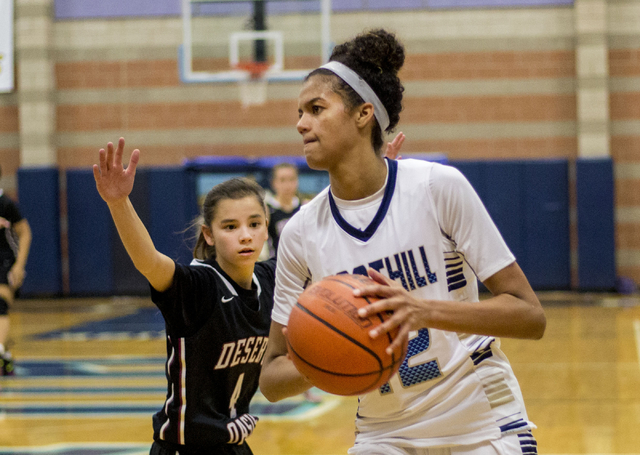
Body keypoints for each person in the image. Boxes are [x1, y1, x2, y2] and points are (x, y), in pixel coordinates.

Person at [259, 28, 546, 455]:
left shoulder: (436, 188)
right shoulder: (300, 232)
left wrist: (422, 310)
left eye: (316, 109)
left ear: (363, 114)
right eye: (300, 112)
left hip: (482, 422)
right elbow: (271, 378)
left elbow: (530, 316)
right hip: (384, 434)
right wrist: (334, 350)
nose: (302, 123)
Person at [93, 138, 274, 454]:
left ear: (266, 228)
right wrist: (118, 202)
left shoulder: (270, 280)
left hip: (235, 446)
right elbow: (149, 260)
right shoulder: (199, 287)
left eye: (254, 224)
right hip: (183, 448)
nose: (246, 234)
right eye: (230, 226)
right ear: (209, 234)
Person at [0, 165, 32, 376]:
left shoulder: (5, 204)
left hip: (5, 264)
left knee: (0, 304)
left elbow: (25, 233)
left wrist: (19, 266)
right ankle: (5, 356)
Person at [265, 162, 302, 257]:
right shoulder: (267, 210)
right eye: (282, 180)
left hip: (302, 265)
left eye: (291, 179)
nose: (287, 185)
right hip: (276, 265)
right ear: (274, 183)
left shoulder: (304, 208)